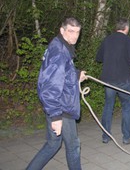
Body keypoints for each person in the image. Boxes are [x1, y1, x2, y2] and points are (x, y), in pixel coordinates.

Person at [27, 17, 87, 170]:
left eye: (77, 32)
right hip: (61, 106)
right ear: (62, 30)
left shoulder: (61, 45)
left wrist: (76, 74)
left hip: (59, 104)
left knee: (53, 144)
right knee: (73, 146)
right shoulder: (59, 52)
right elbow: (50, 86)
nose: (74, 36)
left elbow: (62, 73)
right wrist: (55, 116)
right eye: (71, 31)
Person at [96, 17, 130, 145]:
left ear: (117, 27)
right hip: (123, 81)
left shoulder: (107, 40)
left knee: (108, 107)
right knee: (126, 107)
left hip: (108, 80)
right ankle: (126, 137)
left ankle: (105, 136)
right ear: (127, 28)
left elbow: (99, 58)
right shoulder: (129, 41)